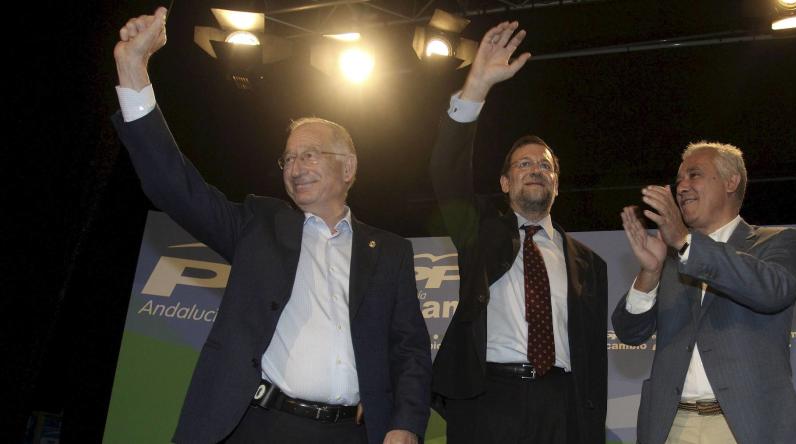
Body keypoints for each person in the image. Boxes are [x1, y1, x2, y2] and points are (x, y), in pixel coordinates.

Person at [111, 8, 430, 444]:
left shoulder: (390, 252)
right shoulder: (259, 225)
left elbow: (410, 348)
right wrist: (133, 71)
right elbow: (175, 186)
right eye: (289, 158)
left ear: (348, 167)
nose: (295, 167)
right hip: (260, 426)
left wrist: (406, 423)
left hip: (350, 434)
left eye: (310, 154)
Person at [429, 21, 609, 444]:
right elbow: (446, 173)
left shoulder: (590, 264)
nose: (536, 170)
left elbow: (592, 358)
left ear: (557, 185)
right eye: (524, 164)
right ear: (505, 182)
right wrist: (476, 87)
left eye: (545, 166)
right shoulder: (479, 232)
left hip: (560, 404)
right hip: (488, 399)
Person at [612, 141, 796, 444]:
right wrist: (650, 273)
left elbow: (773, 291)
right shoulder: (669, 257)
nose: (682, 187)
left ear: (731, 182)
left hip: (744, 427)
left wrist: (685, 242)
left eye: (694, 175)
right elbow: (630, 333)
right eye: (679, 180)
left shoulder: (778, 242)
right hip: (673, 427)